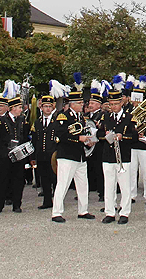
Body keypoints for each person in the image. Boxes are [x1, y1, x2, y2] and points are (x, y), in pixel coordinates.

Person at [51, 86, 95, 223]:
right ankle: (56, 212)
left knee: (83, 185)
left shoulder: (80, 117)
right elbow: (61, 135)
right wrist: (78, 139)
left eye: (83, 103)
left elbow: (81, 133)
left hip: (80, 155)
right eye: (80, 103)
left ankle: (83, 210)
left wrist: (87, 141)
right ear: (72, 104)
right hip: (67, 155)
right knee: (63, 184)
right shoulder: (63, 116)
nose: (83, 105)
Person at [0, 97, 30, 214]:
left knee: (18, 180)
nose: (21, 110)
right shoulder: (1, 120)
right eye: (19, 107)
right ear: (12, 108)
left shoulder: (22, 120)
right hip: (5, 155)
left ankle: (16, 204)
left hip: (18, 155)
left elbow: (24, 137)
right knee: (2, 180)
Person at [99, 90, 136, 224]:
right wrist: (105, 134)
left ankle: (124, 212)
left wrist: (122, 137)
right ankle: (110, 212)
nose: (113, 106)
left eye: (115, 104)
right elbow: (99, 134)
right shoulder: (106, 117)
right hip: (108, 156)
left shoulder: (129, 117)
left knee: (125, 186)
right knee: (109, 185)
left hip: (123, 156)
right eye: (111, 104)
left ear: (121, 103)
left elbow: (134, 136)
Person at [31, 95, 58, 210]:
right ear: (41, 108)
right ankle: (47, 200)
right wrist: (33, 157)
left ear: (53, 108)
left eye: (49, 106)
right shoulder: (37, 122)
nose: (47, 109)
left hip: (53, 155)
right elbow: (34, 140)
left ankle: (57, 201)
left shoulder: (57, 121)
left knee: (55, 179)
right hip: (41, 155)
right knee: (44, 179)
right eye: (45, 106)